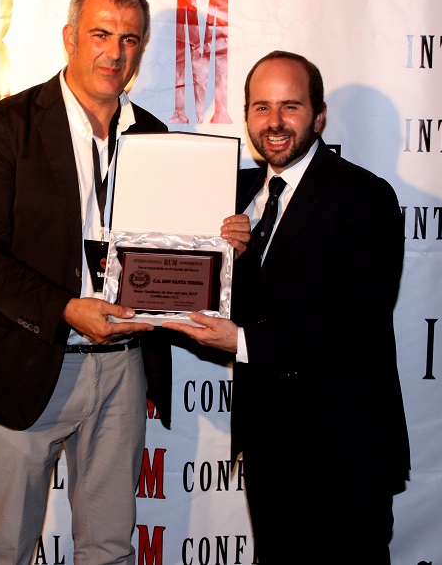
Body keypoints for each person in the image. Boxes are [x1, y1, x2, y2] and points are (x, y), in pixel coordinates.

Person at [0, 0, 176, 565]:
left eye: (130, 39)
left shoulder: (154, 136)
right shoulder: (7, 126)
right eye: (101, 34)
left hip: (123, 367)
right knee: (6, 549)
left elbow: (173, 250)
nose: (115, 52)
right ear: (70, 37)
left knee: (109, 549)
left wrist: (217, 241)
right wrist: (66, 309)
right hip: (27, 363)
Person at [164, 51, 411, 563]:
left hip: (344, 447)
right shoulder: (233, 193)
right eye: (261, 107)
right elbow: (218, 290)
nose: (274, 122)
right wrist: (211, 264)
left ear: (318, 117)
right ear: (247, 116)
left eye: (290, 106)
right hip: (267, 442)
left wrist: (243, 342)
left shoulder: (364, 196)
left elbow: (359, 319)